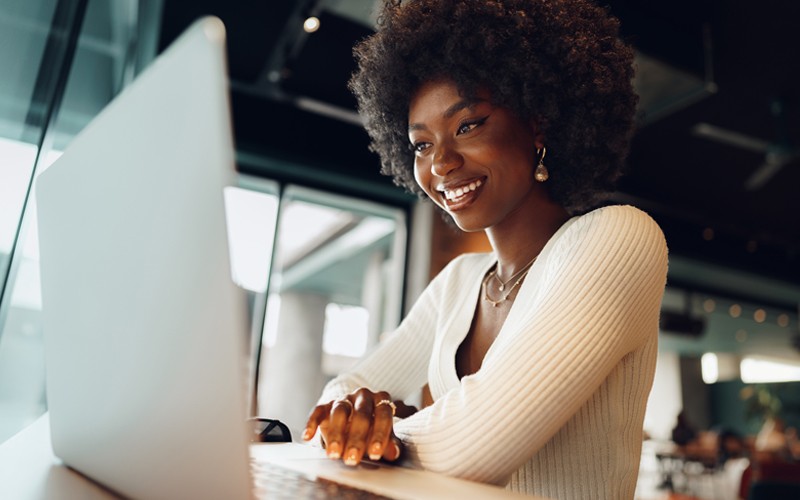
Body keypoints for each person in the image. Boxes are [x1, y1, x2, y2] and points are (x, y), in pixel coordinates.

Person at [302, 1, 669, 498]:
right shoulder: (459, 281)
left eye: (468, 125)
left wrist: (383, 431)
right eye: (420, 145)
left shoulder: (619, 238)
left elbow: (471, 449)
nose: (443, 163)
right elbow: (337, 397)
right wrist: (359, 415)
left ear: (538, 123)